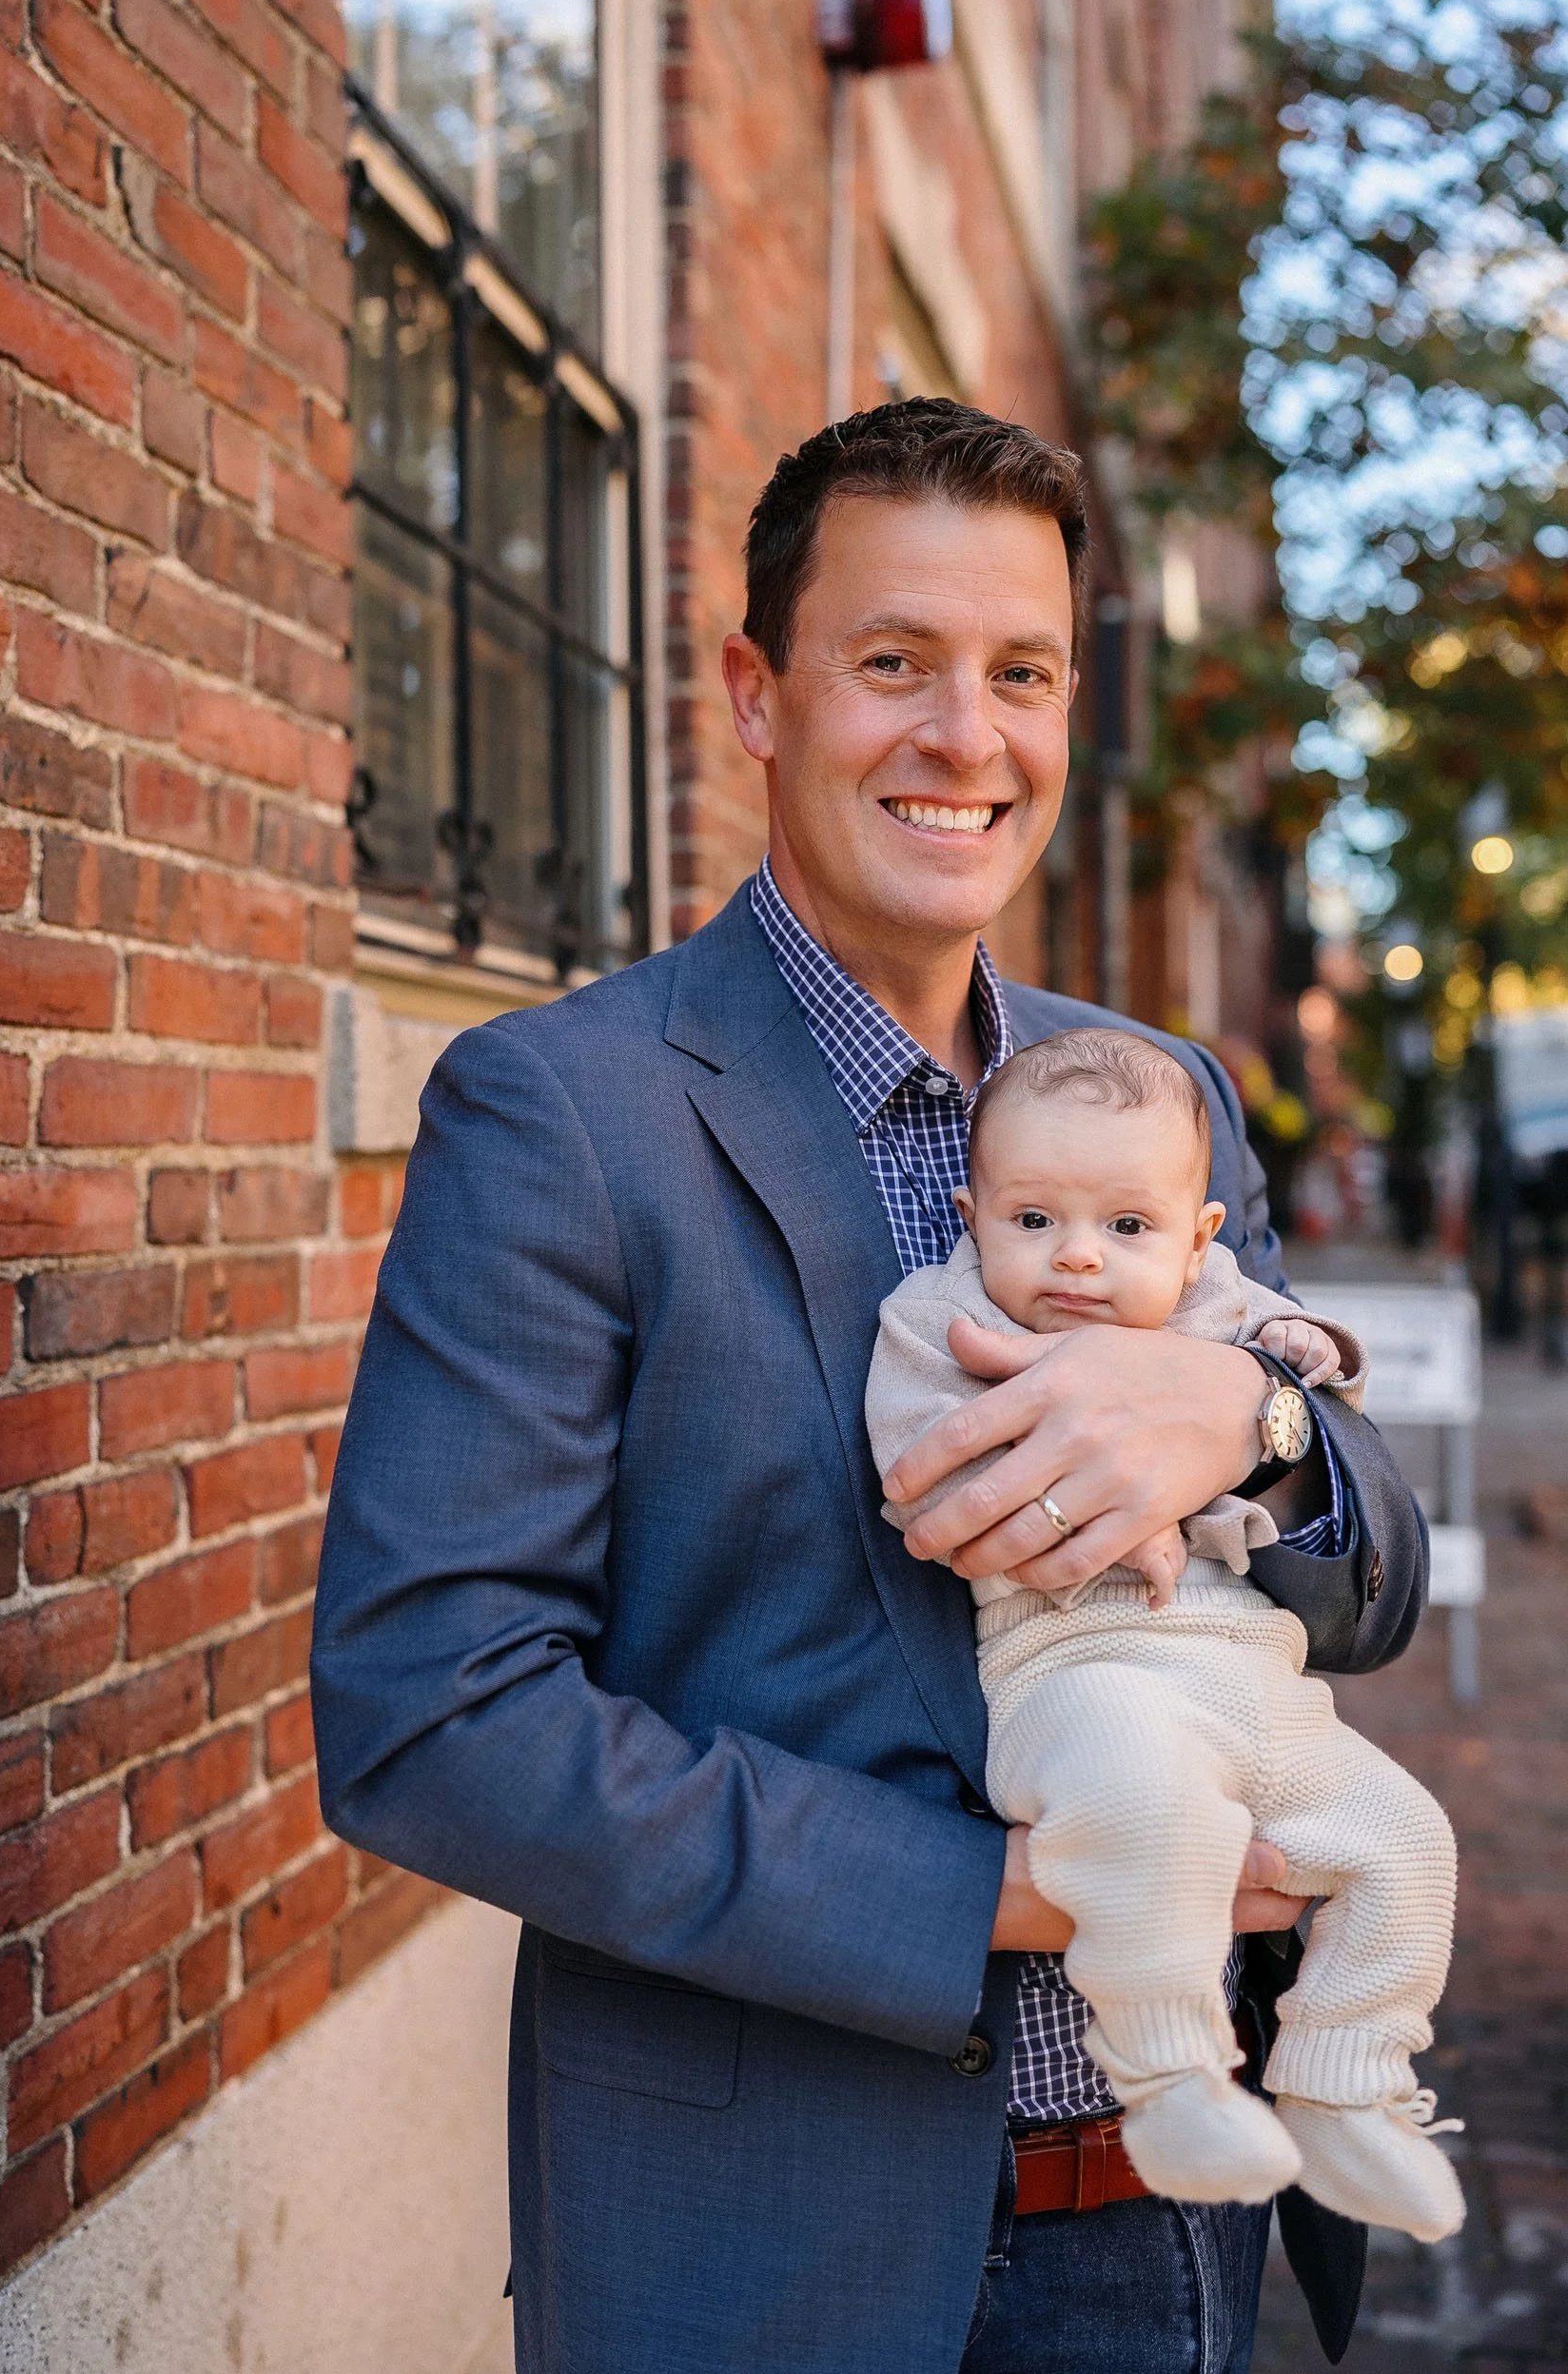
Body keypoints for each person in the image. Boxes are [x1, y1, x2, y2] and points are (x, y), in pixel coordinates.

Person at [311, 400, 1428, 2374]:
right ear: (755, 694)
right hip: (770, 2248)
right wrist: (993, 1892)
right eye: (889, 662)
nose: (961, 737)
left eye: (1018, 673)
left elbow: (1366, 1574)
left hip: (1172, 2227)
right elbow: (429, 1712)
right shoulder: (562, 1112)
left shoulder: (1153, 1097)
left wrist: (1247, 1421)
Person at [867, 1029, 1461, 2242]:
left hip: (1258, 1687)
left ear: (1196, 1236)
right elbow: (922, 1480)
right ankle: (1171, 2078)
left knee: (1404, 1839)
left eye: (1125, 1229)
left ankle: (1345, 2081)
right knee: (1152, 1821)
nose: (1077, 1255)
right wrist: (1104, 1510)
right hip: (1078, 1676)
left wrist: (1267, 1396)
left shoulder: (1215, 1304)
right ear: (970, 1212)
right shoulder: (943, 1319)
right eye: (1032, 1220)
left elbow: (1312, 1372)